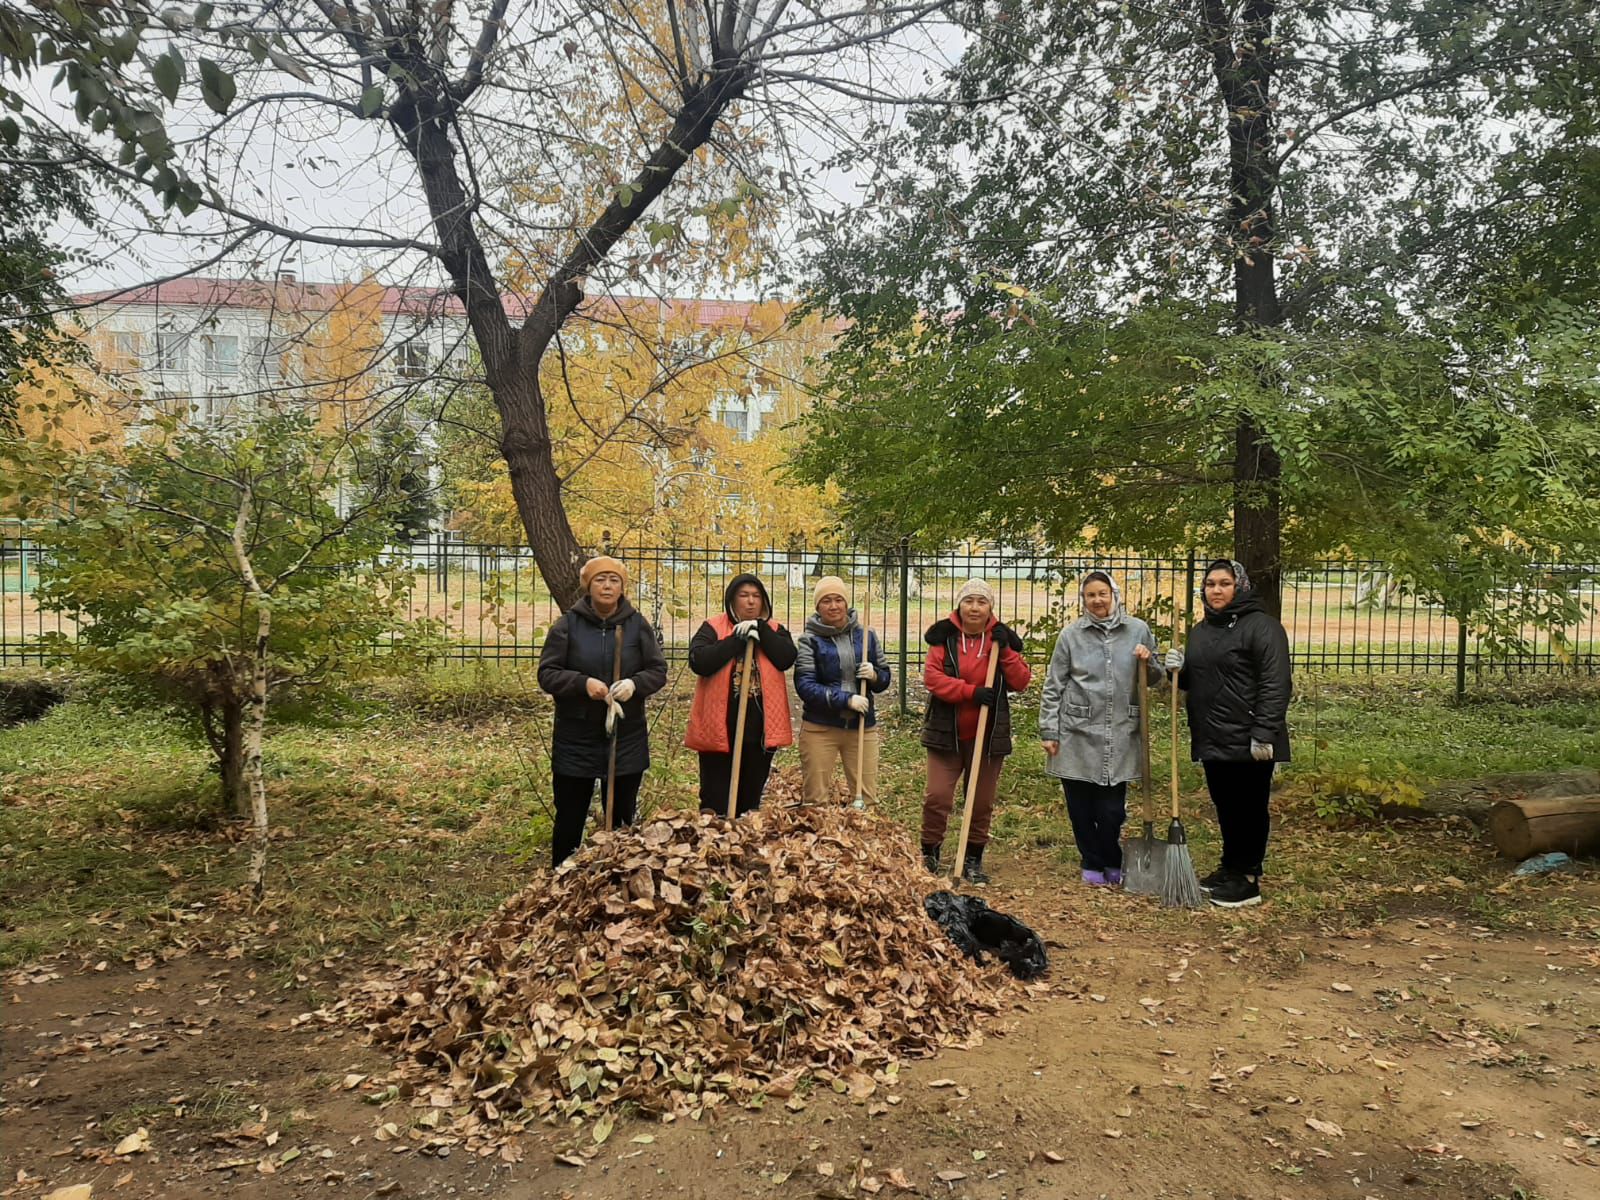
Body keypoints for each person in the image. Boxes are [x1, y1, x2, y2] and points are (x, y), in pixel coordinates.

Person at [1163, 558, 1292, 908]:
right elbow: (1196, 680)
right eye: (1210, 584)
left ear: (1240, 586)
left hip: (1250, 737)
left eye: (1224, 583)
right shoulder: (1204, 629)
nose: (1216, 590)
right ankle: (1230, 867)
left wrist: (1265, 732)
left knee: (1249, 808)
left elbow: (1275, 683)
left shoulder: (1262, 627)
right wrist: (1179, 668)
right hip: (1213, 734)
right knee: (1226, 805)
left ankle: (1248, 878)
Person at [536, 556, 668, 866]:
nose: (607, 586)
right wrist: (583, 684)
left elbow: (658, 670)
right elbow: (548, 673)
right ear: (588, 585)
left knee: (621, 817)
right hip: (576, 736)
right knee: (570, 816)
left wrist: (635, 685)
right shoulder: (568, 625)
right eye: (600, 579)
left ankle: (617, 878)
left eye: (614, 580)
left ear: (622, 587)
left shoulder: (636, 625)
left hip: (626, 736)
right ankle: (562, 878)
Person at [1038, 570, 1164, 886]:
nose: (1097, 600)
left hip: (1119, 732)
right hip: (1077, 732)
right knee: (1080, 809)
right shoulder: (1071, 635)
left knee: (1111, 811)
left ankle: (1112, 857)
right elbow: (1054, 685)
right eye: (1090, 595)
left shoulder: (1138, 630)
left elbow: (1157, 678)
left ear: (1114, 596)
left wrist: (1148, 662)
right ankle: (1091, 861)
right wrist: (1049, 730)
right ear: (1083, 600)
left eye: (1102, 594)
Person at [920, 579, 1032, 882]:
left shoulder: (999, 640)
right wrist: (970, 692)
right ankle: (930, 852)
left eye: (981, 601)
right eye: (968, 600)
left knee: (980, 801)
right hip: (947, 733)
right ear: (959, 604)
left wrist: (1006, 650)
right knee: (937, 797)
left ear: (990, 607)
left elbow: (1021, 682)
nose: (974, 607)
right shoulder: (945, 638)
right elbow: (932, 678)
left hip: (987, 735)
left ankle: (972, 859)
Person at [686, 573, 798, 815]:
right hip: (719, 729)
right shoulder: (713, 627)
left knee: (750, 797)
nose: (750, 602)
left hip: (759, 730)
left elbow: (786, 657)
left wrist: (762, 631)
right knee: (715, 799)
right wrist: (736, 640)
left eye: (756, 596)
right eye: (744, 596)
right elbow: (699, 661)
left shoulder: (775, 629)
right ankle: (715, 842)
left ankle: (743, 839)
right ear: (732, 600)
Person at [794, 576, 892, 806]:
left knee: (866, 799)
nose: (834, 606)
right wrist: (846, 700)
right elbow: (806, 686)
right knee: (815, 801)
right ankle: (817, 840)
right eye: (826, 601)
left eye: (838, 599)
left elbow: (884, 679)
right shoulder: (810, 640)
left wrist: (875, 675)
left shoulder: (867, 636)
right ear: (818, 606)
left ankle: (863, 839)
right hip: (820, 728)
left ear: (846, 603)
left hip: (861, 728)